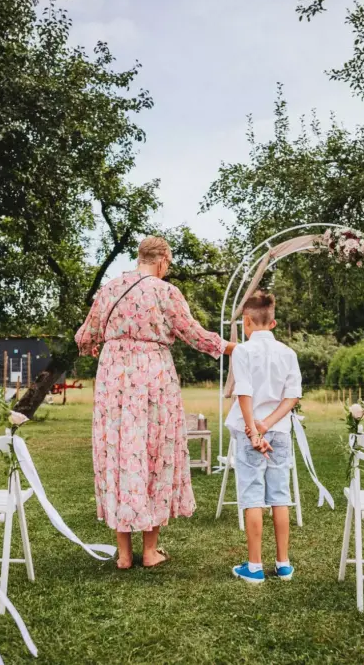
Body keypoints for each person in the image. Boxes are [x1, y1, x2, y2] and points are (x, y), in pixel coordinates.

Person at [75, 236, 235, 569]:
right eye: (169, 264)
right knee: (154, 452)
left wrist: (98, 346)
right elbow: (193, 333)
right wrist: (229, 347)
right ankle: (149, 552)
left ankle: (123, 554)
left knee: (119, 454)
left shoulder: (109, 289)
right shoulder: (166, 292)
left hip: (113, 379)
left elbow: (85, 335)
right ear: (162, 260)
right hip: (152, 377)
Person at [225, 290, 302, 583]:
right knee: (280, 496)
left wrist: (254, 429)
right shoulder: (288, 353)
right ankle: (283, 564)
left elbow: (243, 391)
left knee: (253, 496)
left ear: (246, 321)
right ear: (273, 323)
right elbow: (292, 396)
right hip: (278, 430)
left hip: (250, 433)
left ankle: (255, 567)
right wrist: (267, 424)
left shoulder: (242, 351)